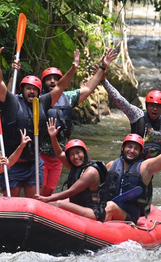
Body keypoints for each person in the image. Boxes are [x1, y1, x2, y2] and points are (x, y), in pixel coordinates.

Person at [0, 37, 78, 198]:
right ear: (22, 90)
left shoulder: (42, 103)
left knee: (34, 202)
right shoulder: (11, 102)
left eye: (35, 89)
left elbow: (60, 86)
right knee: (13, 202)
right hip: (12, 164)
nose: (32, 92)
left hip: (33, 164)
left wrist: (73, 68)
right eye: (28, 89)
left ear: (39, 92)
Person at [22, 49, 117, 197]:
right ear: (43, 83)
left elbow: (88, 88)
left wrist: (103, 68)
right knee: (38, 192)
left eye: (56, 78)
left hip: (59, 156)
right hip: (39, 154)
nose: (53, 81)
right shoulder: (36, 100)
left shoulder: (67, 97)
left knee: (48, 193)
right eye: (49, 79)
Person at [34, 118, 107, 221]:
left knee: (58, 204)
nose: (76, 157)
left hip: (93, 211)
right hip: (80, 206)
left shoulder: (91, 171)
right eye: (72, 154)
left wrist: (46, 199)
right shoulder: (76, 167)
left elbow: (71, 192)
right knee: (53, 203)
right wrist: (53, 137)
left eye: (78, 152)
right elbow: (59, 154)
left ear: (85, 153)